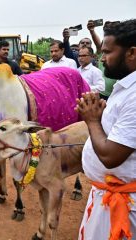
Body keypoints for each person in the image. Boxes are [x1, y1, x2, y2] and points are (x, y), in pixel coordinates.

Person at [76, 19, 136, 240]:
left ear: (131, 53)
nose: (102, 59)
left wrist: (92, 120)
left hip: (123, 207)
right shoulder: (125, 86)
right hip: (106, 196)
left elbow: (111, 156)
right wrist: (101, 117)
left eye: (107, 52)